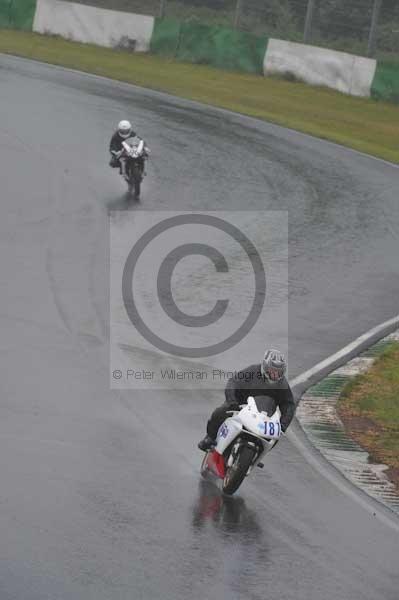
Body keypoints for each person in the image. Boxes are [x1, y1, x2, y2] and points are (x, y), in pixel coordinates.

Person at [198, 349, 296, 451]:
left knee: (276, 435)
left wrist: (283, 424)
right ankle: (210, 437)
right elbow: (233, 382)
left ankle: (259, 454)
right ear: (264, 366)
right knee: (221, 411)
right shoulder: (252, 371)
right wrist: (232, 402)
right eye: (272, 371)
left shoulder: (282, 384)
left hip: (263, 417)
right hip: (240, 407)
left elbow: (289, 404)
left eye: (278, 372)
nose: (275, 375)